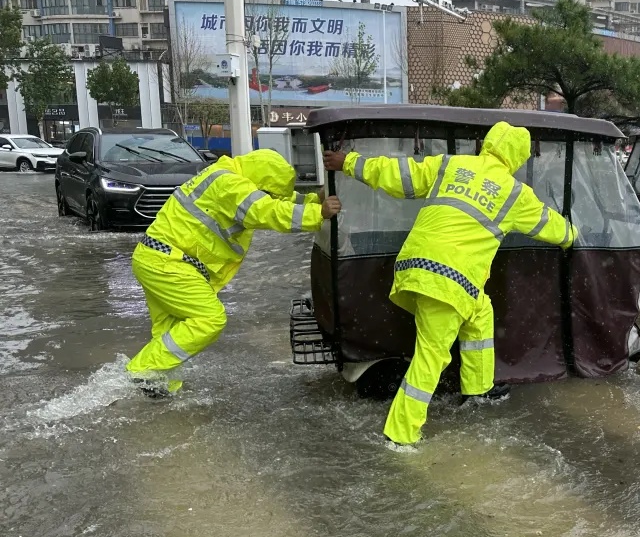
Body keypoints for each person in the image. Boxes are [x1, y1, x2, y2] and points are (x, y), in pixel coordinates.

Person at [323, 121, 575, 446]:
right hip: (449, 282)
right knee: (431, 356)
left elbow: (399, 175)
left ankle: (478, 389)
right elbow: (551, 226)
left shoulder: (451, 165)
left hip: (417, 267)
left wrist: (349, 163)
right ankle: (400, 436)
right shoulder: (515, 194)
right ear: (518, 157)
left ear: (489, 144)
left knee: (480, 313)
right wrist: (573, 236)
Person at [126, 148, 341, 395]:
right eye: (267, 191)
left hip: (157, 258)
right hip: (170, 263)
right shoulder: (229, 184)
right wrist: (319, 213)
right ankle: (141, 371)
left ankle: (160, 391)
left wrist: (316, 199)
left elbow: (278, 201)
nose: (268, 196)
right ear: (260, 183)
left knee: (169, 333)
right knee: (210, 319)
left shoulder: (230, 176)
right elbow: (265, 210)